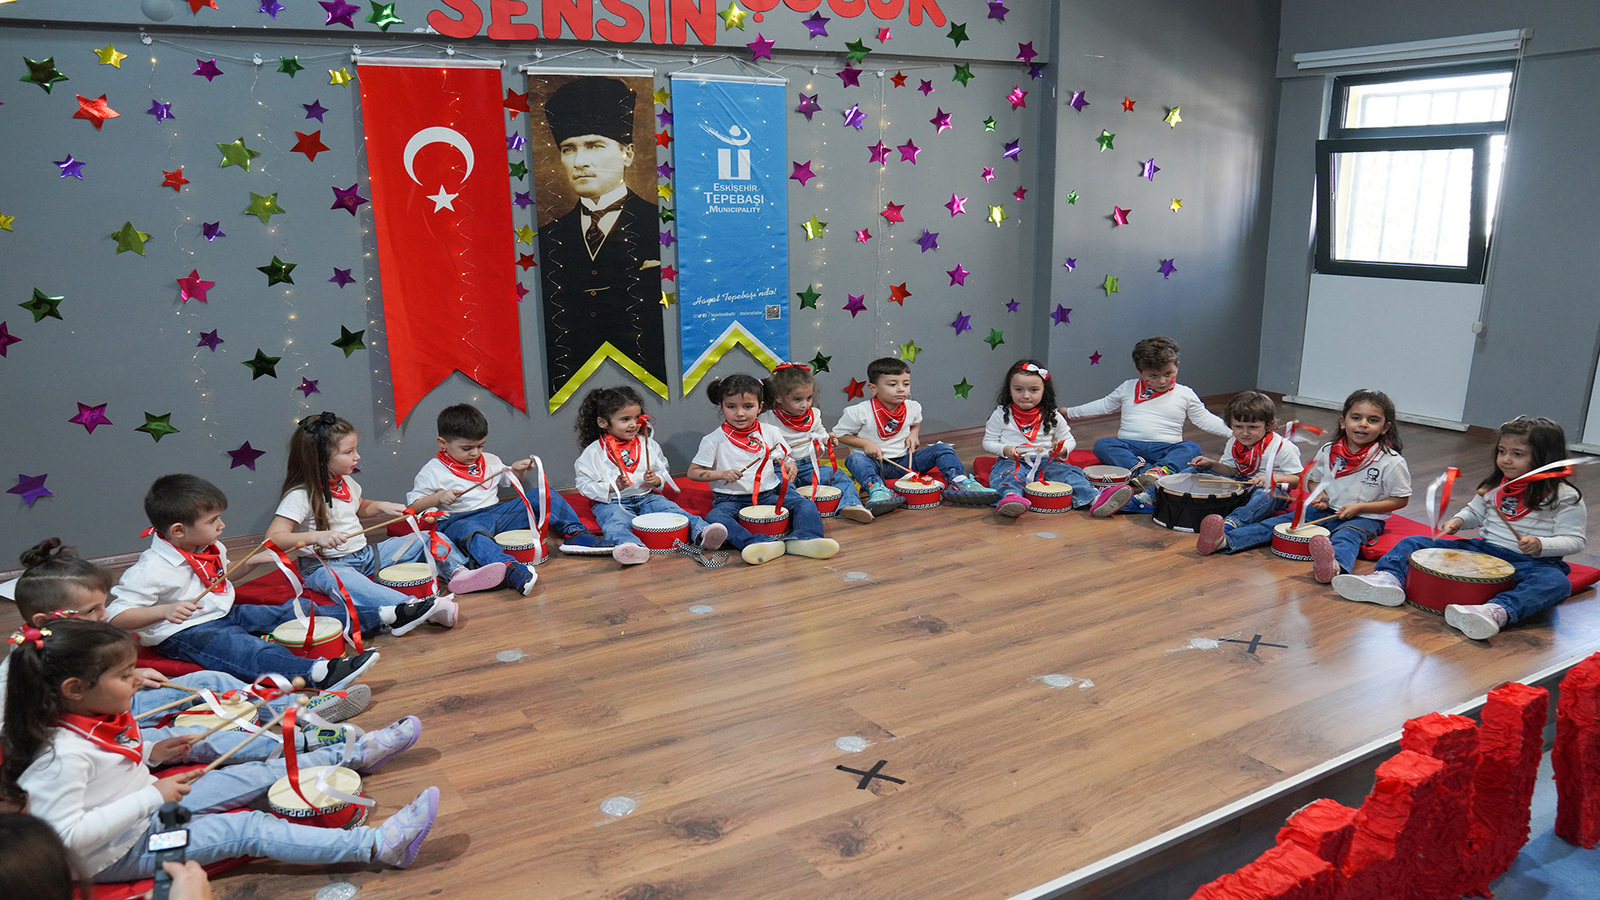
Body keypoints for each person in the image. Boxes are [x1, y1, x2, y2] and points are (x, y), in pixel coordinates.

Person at [0, 619, 440, 881]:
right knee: (246, 829)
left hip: (146, 806)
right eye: (125, 675)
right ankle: (379, 846)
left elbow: (115, 760)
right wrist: (152, 795)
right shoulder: (60, 757)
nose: (137, 681)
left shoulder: (94, 714)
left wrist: (156, 753)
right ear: (74, 689)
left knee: (253, 774)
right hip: (118, 850)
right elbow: (64, 838)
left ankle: (356, 753)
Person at [7, 539, 366, 758]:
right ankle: (298, 743)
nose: (104, 616)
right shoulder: (22, 666)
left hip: (115, 701)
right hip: (95, 728)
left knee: (211, 680)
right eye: (92, 611)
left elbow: (94, 675)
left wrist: (132, 675)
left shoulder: (76, 635)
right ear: (42, 620)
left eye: (102, 606)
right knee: (190, 737)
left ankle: (293, 709)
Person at [107, 475, 383, 691]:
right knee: (242, 647)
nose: (222, 525)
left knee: (292, 611)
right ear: (178, 530)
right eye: (213, 520)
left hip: (225, 611)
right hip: (184, 633)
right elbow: (117, 616)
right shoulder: (149, 570)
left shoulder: (209, 546)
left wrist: (249, 564)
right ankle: (318, 673)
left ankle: (382, 616)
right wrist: (164, 611)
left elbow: (219, 577)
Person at [1334, 416, 1585, 640]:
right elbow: (1474, 512)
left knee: (1556, 584)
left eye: (1517, 454)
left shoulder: (1565, 496)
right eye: (1501, 451)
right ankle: (1388, 579)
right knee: (1414, 543)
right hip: (1484, 551)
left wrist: (1541, 545)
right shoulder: (1495, 485)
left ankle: (1496, 611)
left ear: (1545, 458)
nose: (1505, 460)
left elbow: (1574, 540)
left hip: (1534, 563)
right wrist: (1459, 521)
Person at [268, 412, 494, 621]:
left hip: (364, 556)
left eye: (355, 450)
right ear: (319, 458)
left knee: (428, 538)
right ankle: (413, 608)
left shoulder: (345, 481)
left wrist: (381, 506)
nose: (357, 457)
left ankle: (459, 574)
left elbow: (358, 507)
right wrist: (316, 537)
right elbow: (274, 537)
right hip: (324, 566)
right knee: (347, 582)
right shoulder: (300, 495)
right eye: (348, 452)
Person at [534, 75, 665, 402]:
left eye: (594, 145)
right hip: (567, 391)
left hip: (650, 386)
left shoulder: (663, 228)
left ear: (627, 153)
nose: (580, 162)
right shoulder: (546, 239)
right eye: (569, 149)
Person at [1205, 389, 1411, 583]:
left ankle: (1334, 567)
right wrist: (1319, 494)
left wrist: (1360, 508)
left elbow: (1400, 499)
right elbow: (1312, 480)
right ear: (1343, 422)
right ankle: (1225, 540)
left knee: (1346, 537)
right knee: (1277, 525)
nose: (1363, 424)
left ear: (1385, 428)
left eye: (1373, 420)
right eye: (1356, 418)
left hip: (1365, 518)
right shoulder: (1329, 450)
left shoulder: (1391, 461)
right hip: (1324, 510)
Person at [408, 403, 604, 591]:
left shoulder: (490, 460)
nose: (475, 453)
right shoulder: (432, 471)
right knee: (470, 530)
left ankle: (576, 534)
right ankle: (509, 569)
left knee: (543, 495)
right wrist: (438, 498)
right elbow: (414, 507)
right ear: (443, 443)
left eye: (480, 446)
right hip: (460, 520)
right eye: (467, 448)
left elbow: (511, 482)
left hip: (497, 513)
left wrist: (518, 471)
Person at [1062, 336, 1231, 516]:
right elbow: (1104, 405)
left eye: (1168, 374)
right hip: (1130, 447)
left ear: (1177, 365)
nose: (1162, 381)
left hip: (1167, 448)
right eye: (1153, 376)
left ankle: (1154, 473)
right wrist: (1070, 412)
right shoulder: (1128, 387)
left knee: (1191, 448)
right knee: (1103, 444)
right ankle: (1149, 474)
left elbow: (1204, 418)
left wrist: (1233, 432)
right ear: (1139, 371)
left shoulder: (1185, 393)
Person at [687, 374, 839, 566]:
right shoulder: (713, 440)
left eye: (748, 406)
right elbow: (693, 472)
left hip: (767, 494)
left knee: (805, 505)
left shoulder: (770, 432)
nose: (740, 413)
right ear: (721, 406)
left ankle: (805, 539)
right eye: (731, 406)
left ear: (760, 406)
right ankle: (755, 543)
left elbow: (784, 455)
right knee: (714, 517)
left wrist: (789, 463)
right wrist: (721, 474)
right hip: (729, 499)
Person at [573, 386, 727, 565]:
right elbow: (584, 484)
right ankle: (631, 547)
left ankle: (703, 533)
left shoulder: (648, 444)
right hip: (611, 502)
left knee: (673, 512)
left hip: (647, 496)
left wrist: (657, 479)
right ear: (603, 422)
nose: (634, 424)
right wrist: (611, 486)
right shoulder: (593, 452)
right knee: (615, 523)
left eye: (637, 417)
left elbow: (663, 468)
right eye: (625, 419)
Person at [834, 357, 997, 513]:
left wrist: (914, 434)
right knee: (854, 460)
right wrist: (865, 444)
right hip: (876, 464)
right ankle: (878, 490)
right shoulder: (859, 411)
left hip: (906, 462)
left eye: (906, 384)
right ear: (873, 388)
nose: (901, 389)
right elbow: (840, 435)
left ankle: (959, 482)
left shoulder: (913, 407)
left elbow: (916, 422)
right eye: (892, 384)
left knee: (942, 448)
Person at [759, 363, 874, 524]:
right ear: (778, 397)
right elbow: (763, 448)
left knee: (839, 476)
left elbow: (821, 433)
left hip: (808, 466)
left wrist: (827, 439)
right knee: (780, 487)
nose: (805, 404)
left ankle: (850, 505)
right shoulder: (767, 419)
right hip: (781, 469)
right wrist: (783, 460)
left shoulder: (813, 414)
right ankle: (801, 512)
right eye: (797, 399)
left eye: (809, 398)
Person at [1193, 391, 1307, 553]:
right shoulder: (1233, 442)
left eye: (1253, 427)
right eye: (1238, 427)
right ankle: (1160, 499)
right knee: (1197, 471)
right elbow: (1230, 470)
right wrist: (1211, 464)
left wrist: (1273, 478)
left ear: (1269, 425)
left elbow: (1298, 479)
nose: (1244, 433)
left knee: (1267, 495)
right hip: (1241, 483)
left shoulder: (1283, 447)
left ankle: (1230, 524)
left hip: (1271, 489)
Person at [983, 360, 1096, 517]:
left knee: (1069, 474)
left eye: (1034, 390)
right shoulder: (1000, 414)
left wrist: (1062, 449)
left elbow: (1069, 440)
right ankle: (1011, 499)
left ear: (1044, 391)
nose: (1026, 396)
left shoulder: (1053, 415)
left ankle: (1095, 498)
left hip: (1046, 461)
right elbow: (988, 442)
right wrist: (1005, 449)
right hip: (1012, 461)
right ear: (1009, 389)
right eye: (1018, 389)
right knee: (1008, 477)